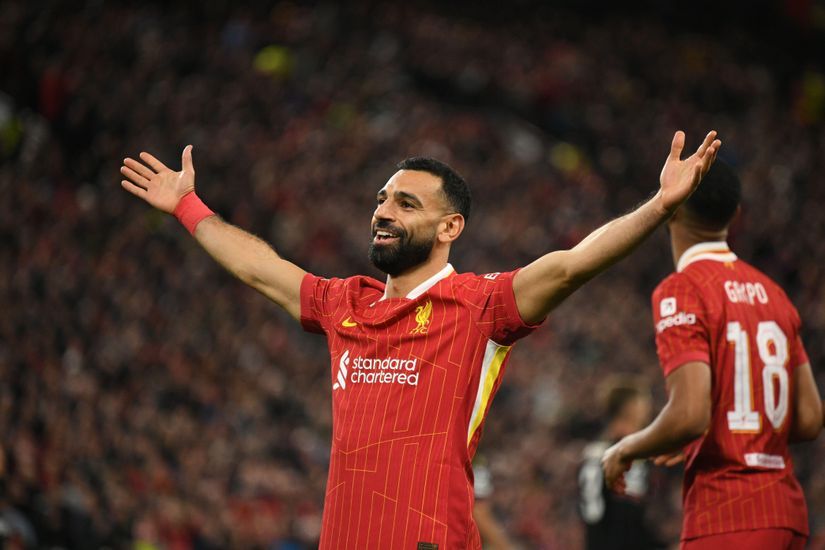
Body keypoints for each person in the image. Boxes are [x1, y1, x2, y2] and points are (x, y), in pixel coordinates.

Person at [120, 130, 720, 548]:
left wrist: (660, 207)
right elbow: (258, 267)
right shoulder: (343, 303)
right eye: (382, 199)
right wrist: (186, 205)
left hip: (430, 540)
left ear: (449, 227)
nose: (383, 211)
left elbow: (570, 265)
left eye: (406, 204)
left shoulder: (480, 306)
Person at [601, 160, 823, 550]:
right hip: (788, 516)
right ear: (735, 215)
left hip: (727, 514)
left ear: (672, 207)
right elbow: (808, 420)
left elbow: (689, 415)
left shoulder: (682, 289)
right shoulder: (774, 294)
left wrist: (626, 448)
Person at [578, 376, 666, 550]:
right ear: (630, 409)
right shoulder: (597, 456)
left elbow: (636, 521)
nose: (647, 410)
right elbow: (592, 516)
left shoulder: (643, 458)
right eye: (642, 404)